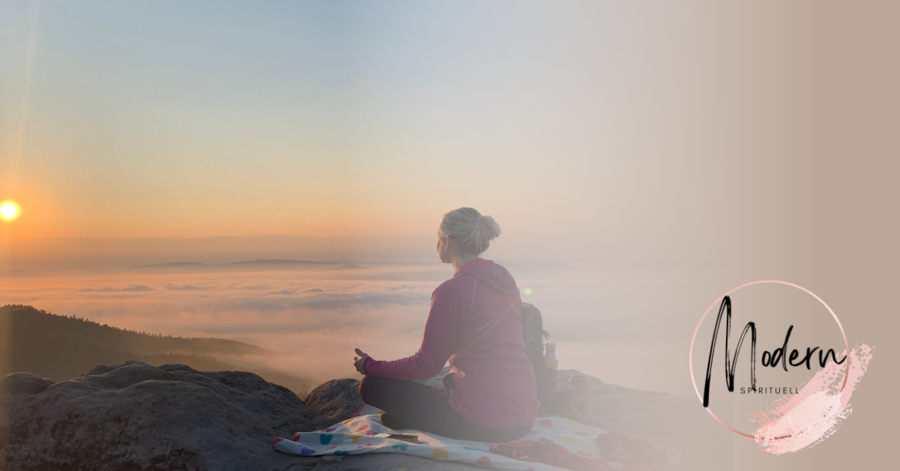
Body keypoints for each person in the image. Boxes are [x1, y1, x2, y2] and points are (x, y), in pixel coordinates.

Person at [352, 207, 540, 443]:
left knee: (372, 385)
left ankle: (426, 419)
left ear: (448, 241)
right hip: (523, 418)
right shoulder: (504, 278)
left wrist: (369, 365)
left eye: (438, 237)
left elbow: (426, 366)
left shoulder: (450, 291)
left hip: (482, 423)